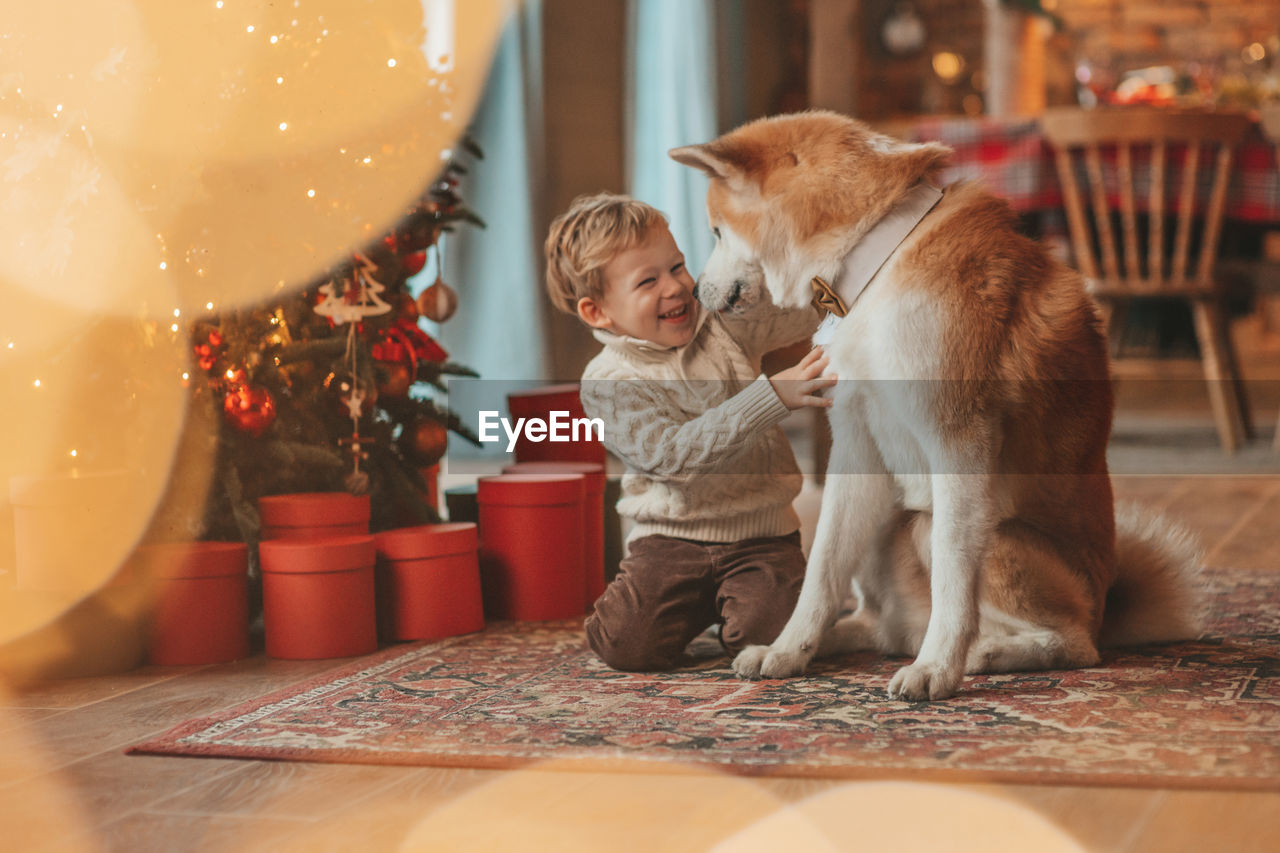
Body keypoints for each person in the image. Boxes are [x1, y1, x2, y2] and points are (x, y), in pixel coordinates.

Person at [543, 192, 834, 671]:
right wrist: (770, 397)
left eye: (677, 266)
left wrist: (837, 281)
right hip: (669, 539)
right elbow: (671, 459)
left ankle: (738, 610)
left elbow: (805, 311)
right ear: (598, 312)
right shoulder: (607, 383)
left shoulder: (723, 323)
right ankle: (680, 606)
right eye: (648, 281)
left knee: (778, 638)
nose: (676, 287)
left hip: (762, 534)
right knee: (626, 648)